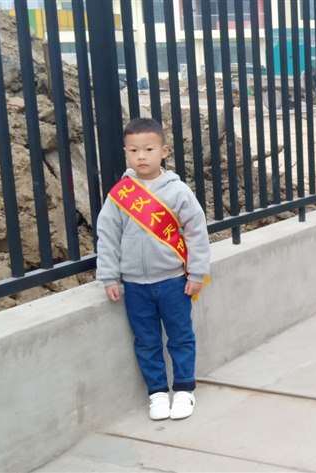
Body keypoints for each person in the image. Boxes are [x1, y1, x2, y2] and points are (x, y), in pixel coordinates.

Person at [96, 118, 210, 421]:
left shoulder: (178, 191)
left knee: (180, 336)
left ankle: (184, 389)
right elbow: (107, 235)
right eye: (134, 150)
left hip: (173, 280)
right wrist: (109, 276)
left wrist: (197, 273)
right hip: (134, 285)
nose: (141, 156)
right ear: (126, 153)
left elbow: (197, 232)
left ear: (164, 151)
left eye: (148, 149)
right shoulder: (121, 194)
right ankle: (157, 393)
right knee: (146, 341)